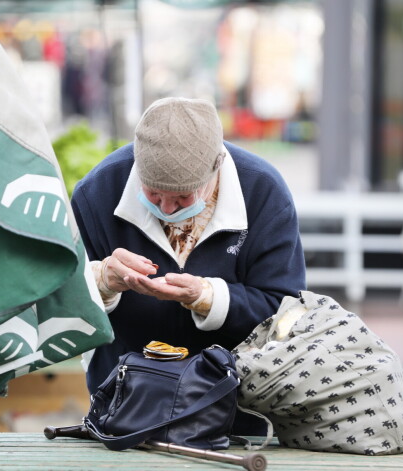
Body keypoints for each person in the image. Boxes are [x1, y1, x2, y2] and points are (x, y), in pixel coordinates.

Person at [71, 97, 306, 434]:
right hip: (126, 407)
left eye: (182, 198)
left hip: (239, 406)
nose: (167, 207)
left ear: (218, 166)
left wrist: (208, 296)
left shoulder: (264, 193)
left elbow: (286, 311)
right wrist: (102, 279)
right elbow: (60, 295)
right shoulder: (98, 192)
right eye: (153, 194)